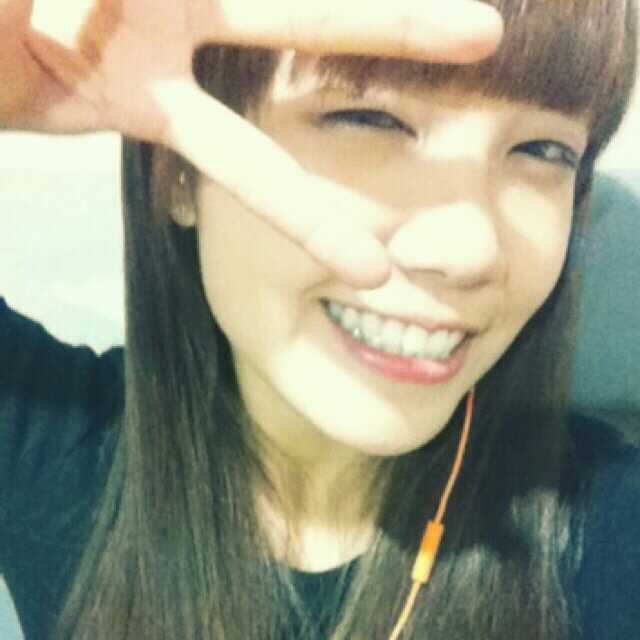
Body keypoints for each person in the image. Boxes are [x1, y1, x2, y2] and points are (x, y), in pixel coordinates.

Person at [0, 1, 638, 639]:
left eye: (543, 149)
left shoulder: (610, 528)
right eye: (368, 117)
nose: (470, 251)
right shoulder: (49, 446)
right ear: (178, 170)